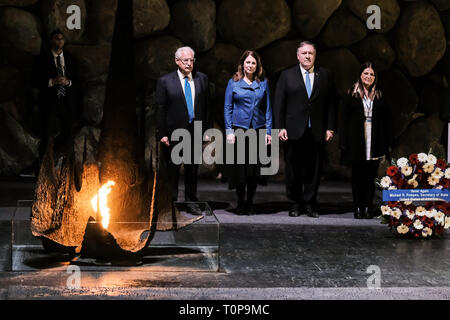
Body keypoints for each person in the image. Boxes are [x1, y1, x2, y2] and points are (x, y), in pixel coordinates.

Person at [274, 41, 336, 218]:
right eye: (304, 53)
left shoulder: (325, 75)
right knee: (293, 170)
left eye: (311, 53)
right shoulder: (287, 75)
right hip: (293, 131)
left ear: (315, 56)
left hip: (316, 130)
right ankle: (295, 203)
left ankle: (309, 204)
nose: (307, 56)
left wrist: (330, 127)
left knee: (314, 170)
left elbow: (331, 103)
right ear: (298, 56)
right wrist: (280, 127)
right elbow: (279, 104)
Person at [155, 46, 210, 215]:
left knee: (192, 168)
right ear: (177, 61)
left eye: (191, 60)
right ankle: (170, 202)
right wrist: (162, 133)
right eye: (185, 60)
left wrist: (206, 129)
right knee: (172, 169)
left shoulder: (202, 79)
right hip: (174, 132)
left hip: (195, 129)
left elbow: (207, 106)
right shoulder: (165, 81)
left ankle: (191, 201)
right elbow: (160, 108)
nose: (189, 64)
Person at [339, 62, 391, 219]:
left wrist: (387, 142)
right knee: (357, 175)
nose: (368, 77)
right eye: (366, 73)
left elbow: (387, 121)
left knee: (370, 175)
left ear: (375, 78)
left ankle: (368, 206)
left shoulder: (380, 95)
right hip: (356, 140)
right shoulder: (351, 94)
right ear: (360, 75)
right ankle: (358, 207)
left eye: (371, 74)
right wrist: (343, 142)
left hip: (374, 140)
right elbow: (343, 120)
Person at [224, 50, 272, 215]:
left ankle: (250, 202)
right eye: (248, 62)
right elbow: (227, 108)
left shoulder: (263, 83)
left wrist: (268, 132)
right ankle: (240, 202)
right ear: (242, 64)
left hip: (257, 130)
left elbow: (268, 109)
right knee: (240, 169)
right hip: (239, 130)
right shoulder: (234, 82)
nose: (250, 65)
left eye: (253, 63)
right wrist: (229, 130)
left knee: (253, 170)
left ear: (257, 65)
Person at [34, 30, 79, 162]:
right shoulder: (42, 59)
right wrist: (52, 81)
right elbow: (35, 80)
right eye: (56, 39)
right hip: (49, 102)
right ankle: (43, 168)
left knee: (69, 134)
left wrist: (68, 82)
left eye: (61, 39)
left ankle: (61, 161)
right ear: (51, 41)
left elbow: (78, 79)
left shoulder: (70, 59)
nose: (59, 41)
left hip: (66, 102)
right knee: (46, 134)